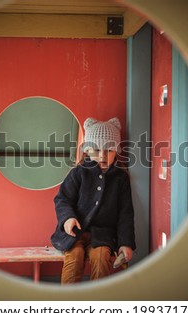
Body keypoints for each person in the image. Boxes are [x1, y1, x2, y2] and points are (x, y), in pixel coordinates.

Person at [50, 117, 136, 284]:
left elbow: (125, 214)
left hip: (103, 235)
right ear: (87, 151)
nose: (102, 155)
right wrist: (68, 218)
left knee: (102, 256)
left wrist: (126, 243)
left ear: (116, 151)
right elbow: (62, 199)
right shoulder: (78, 173)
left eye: (109, 150)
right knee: (74, 256)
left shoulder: (120, 179)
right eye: (96, 150)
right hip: (75, 233)